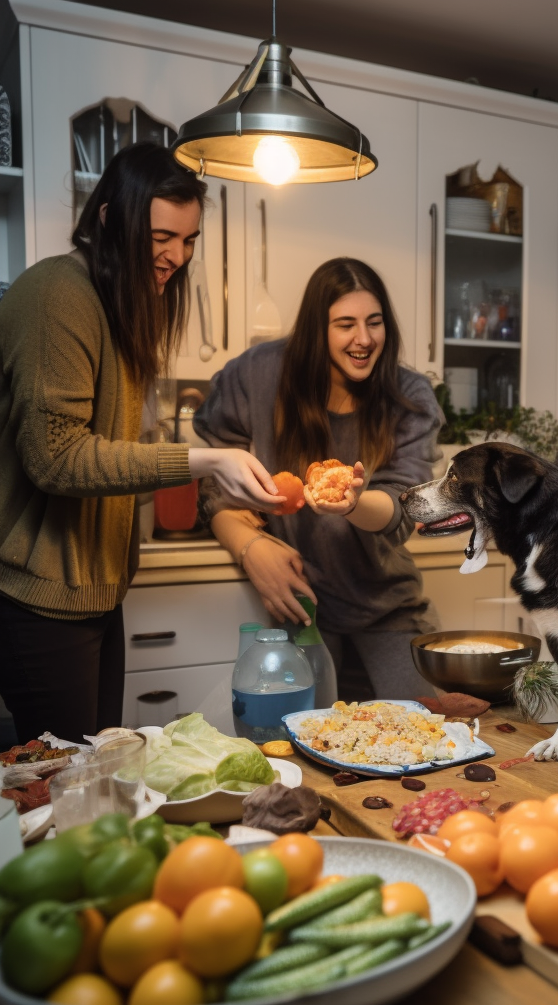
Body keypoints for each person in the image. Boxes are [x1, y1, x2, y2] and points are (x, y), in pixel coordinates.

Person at [0, 142, 283, 743]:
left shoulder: (124, 303)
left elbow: (114, 448)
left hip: (94, 594)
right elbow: (56, 456)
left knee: (95, 775)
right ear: (108, 218)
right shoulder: (58, 294)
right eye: (160, 237)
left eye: (188, 240)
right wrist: (203, 460)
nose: (176, 257)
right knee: (63, 792)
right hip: (35, 600)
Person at [194, 257, 442, 704]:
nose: (364, 339)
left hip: (387, 608)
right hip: (297, 606)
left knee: (416, 737)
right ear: (317, 328)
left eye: (374, 322)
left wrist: (353, 503)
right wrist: (249, 547)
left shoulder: (410, 397)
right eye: (345, 324)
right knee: (305, 746)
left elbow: (400, 508)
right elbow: (215, 479)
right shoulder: (257, 374)